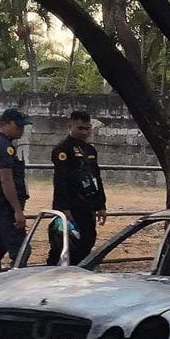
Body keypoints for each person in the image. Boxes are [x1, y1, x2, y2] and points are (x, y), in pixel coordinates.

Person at [47, 109, 108, 265]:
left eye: (87, 128)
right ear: (70, 127)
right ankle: (53, 273)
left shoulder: (90, 150)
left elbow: (96, 178)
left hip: (87, 206)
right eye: (80, 128)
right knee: (64, 244)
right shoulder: (63, 150)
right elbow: (60, 181)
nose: (84, 132)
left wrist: (101, 205)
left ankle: (80, 271)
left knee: (87, 241)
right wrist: (64, 208)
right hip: (70, 206)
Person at [0, 106, 29, 275]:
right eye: (18, 125)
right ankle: (15, 284)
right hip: (5, 206)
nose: (21, 129)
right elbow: (6, 180)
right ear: (5, 124)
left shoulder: (0, 144)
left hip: (0, 203)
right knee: (21, 251)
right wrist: (17, 210)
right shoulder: (4, 147)